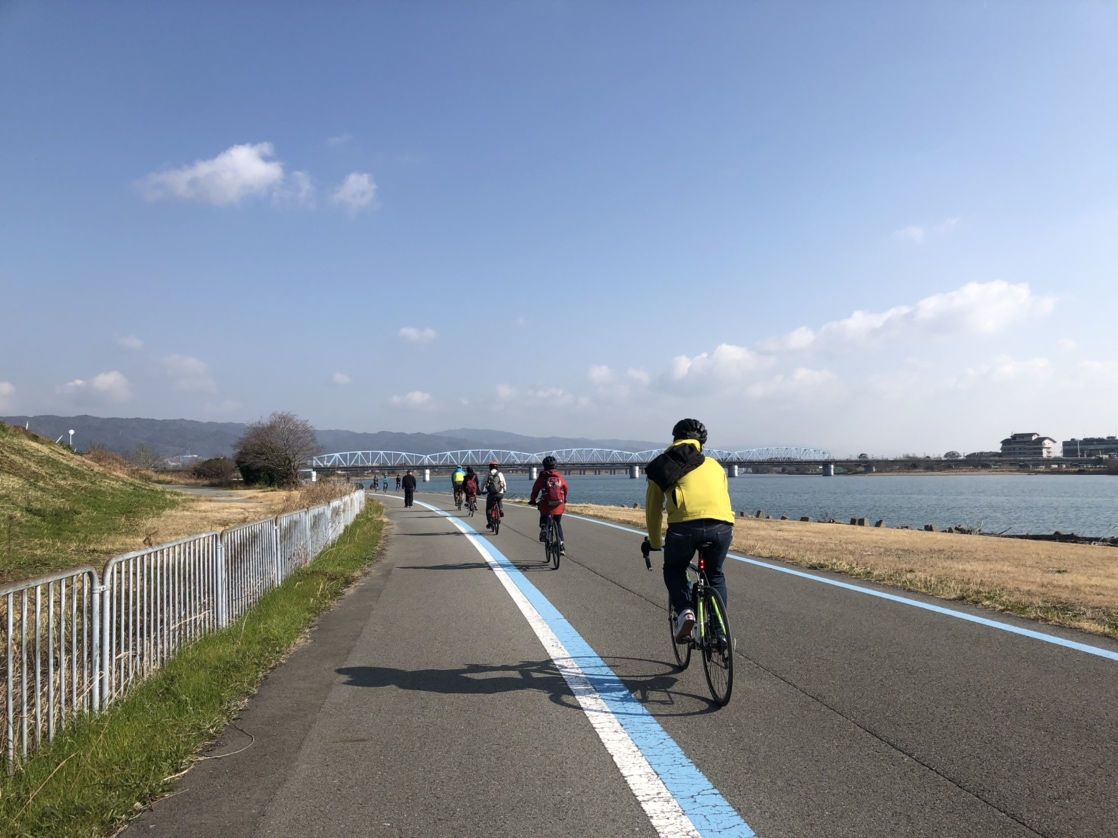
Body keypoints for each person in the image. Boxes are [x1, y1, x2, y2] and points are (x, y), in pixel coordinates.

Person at [643, 419, 734, 644]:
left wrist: (655, 543)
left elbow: (653, 511)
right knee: (714, 574)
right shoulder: (715, 466)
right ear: (701, 442)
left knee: (674, 568)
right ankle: (720, 633)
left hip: (684, 528)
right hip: (722, 527)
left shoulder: (661, 466)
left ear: (674, 439)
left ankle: (685, 611)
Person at [529, 455, 569, 554]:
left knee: (543, 514)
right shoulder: (559, 477)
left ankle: (543, 527)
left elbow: (535, 490)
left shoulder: (542, 477)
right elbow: (566, 488)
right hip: (558, 505)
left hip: (546, 505)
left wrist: (533, 500)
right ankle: (561, 545)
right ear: (555, 466)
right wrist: (564, 499)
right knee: (558, 523)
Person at [483, 461, 506, 529]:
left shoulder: (488, 474)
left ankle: (490, 522)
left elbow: (483, 483)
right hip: (499, 493)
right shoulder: (500, 474)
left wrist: (482, 491)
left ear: (490, 467)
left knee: (488, 508)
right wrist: (504, 489)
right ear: (497, 467)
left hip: (491, 494)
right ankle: (501, 510)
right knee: (499, 500)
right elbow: (503, 482)